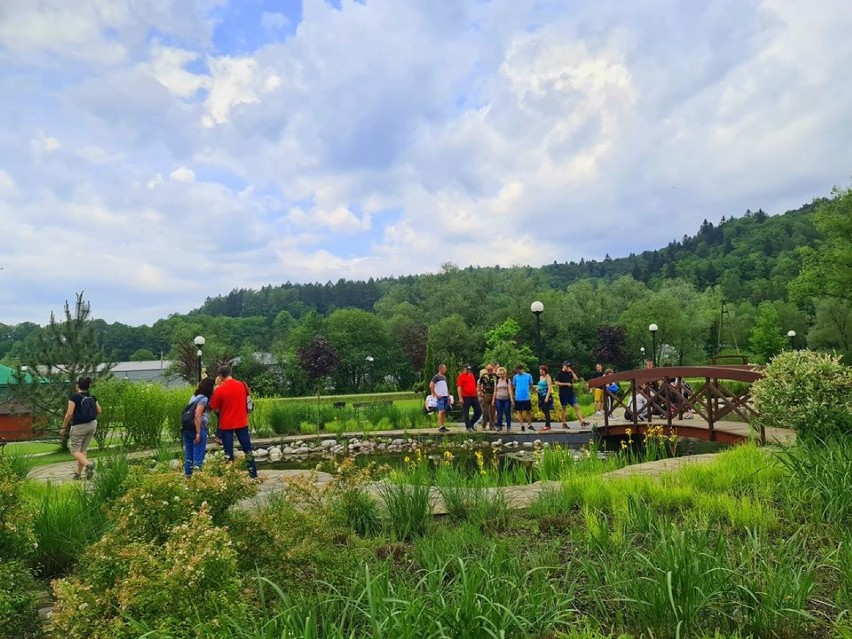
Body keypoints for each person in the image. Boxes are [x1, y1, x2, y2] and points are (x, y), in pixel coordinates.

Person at [209, 365, 258, 478]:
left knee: (228, 452)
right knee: (247, 449)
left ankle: (230, 476)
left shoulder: (219, 390)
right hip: (241, 421)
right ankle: (253, 474)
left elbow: (215, 408)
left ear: (220, 376)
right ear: (230, 373)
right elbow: (248, 399)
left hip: (226, 423)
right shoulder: (242, 385)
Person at [60, 376, 101, 480]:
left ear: (77, 386)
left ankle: (88, 465)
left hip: (79, 426)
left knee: (75, 451)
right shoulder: (92, 397)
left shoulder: (75, 397)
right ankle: (78, 474)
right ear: (88, 386)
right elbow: (99, 410)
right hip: (92, 424)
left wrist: (64, 427)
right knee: (83, 450)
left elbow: (69, 414)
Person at [183, 377, 215, 477]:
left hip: (187, 428)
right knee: (198, 455)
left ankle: (188, 477)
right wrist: (198, 432)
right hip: (198, 428)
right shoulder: (204, 399)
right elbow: (197, 415)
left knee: (189, 455)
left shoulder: (194, 396)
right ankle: (198, 479)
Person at [554, 361, 590, 428]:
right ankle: (564, 423)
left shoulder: (569, 373)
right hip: (563, 394)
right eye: (567, 366)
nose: (568, 367)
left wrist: (572, 372)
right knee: (564, 408)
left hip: (570, 393)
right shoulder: (560, 374)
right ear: (564, 366)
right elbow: (556, 383)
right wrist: (566, 384)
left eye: (569, 366)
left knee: (576, 407)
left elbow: (576, 379)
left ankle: (582, 422)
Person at [456, 364, 481, 432]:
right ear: (464, 369)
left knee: (478, 411)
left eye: (469, 369)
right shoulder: (461, 376)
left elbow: (474, 386)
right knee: (466, 412)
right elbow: (459, 387)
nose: (468, 370)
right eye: (467, 369)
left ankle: (471, 423)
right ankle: (468, 427)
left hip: (474, 396)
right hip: (465, 397)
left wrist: (477, 395)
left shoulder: (472, 375)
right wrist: (460, 397)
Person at [512, 364, 534, 431]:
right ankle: (522, 425)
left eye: (518, 370)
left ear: (521, 369)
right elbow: (514, 385)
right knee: (519, 411)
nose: (517, 372)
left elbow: (531, 384)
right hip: (518, 397)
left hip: (526, 397)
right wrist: (518, 390)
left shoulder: (528, 376)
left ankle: (529, 424)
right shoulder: (515, 377)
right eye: (516, 371)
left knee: (528, 411)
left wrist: (526, 389)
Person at [430, 363, 451, 433]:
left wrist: (448, 395)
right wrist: (435, 394)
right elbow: (431, 385)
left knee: (444, 411)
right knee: (441, 411)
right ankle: (440, 426)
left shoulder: (444, 377)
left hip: (445, 396)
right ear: (441, 369)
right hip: (440, 397)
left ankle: (443, 425)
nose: (446, 370)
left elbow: (446, 387)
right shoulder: (436, 377)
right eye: (444, 368)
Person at [492, 366, 514, 431]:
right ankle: (499, 426)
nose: (501, 375)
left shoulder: (508, 381)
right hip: (498, 398)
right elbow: (495, 390)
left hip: (506, 399)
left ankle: (508, 426)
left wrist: (511, 399)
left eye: (503, 374)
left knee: (507, 413)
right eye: (500, 374)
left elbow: (510, 390)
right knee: (499, 413)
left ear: (505, 374)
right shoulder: (497, 381)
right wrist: (493, 399)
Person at [537, 364, 555, 430]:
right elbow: (540, 385)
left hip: (545, 394)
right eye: (540, 371)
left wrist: (547, 397)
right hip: (540, 395)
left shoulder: (548, 377)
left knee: (546, 410)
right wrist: (538, 389)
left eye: (542, 371)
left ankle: (548, 425)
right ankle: (547, 424)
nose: (541, 373)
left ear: (545, 371)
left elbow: (549, 388)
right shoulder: (540, 377)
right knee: (543, 409)